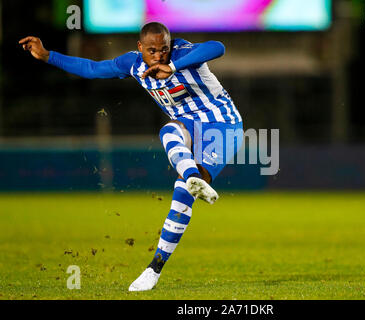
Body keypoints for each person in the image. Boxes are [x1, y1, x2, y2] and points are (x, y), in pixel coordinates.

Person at [19, 22, 243, 292]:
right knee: (169, 131)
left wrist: (172, 67)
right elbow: (92, 69)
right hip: (188, 126)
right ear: (140, 48)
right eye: (152, 50)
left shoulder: (182, 53)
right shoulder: (133, 64)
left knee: (182, 195)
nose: (159, 55)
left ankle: (162, 250)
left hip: (223, 127)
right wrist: (47, 56)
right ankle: (156, 262)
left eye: (164, 49)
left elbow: (218, 47)